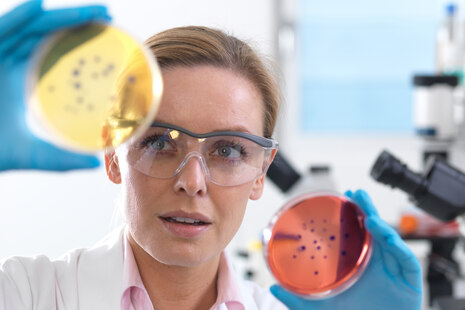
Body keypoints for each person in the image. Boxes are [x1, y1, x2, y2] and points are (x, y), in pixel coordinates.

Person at [0, 1, 422, 309]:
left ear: (262, 173)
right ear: (114, 155)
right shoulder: (25, 293)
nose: (193, 181)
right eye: (160, 142)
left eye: (228, 150)